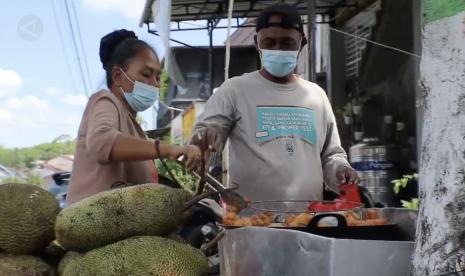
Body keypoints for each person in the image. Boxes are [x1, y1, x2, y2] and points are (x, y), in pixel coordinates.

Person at [190, 4, 359, 201]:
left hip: (310, 222)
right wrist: (205, 137)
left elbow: (331, 156)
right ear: (257, 43)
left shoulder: (316, 96)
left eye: (287, 42)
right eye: (269, 42)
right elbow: (208, 130)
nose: (278, 49)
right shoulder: (234, 90)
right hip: (252, 223)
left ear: (302, 43)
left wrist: (341, 170)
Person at [67, 30, 201, 204]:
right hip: (86, 223)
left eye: (158, 77)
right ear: (117, 76)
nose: (155, 83)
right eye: (146, 74)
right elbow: (101, 142)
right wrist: (169, 149)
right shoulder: (105, 100)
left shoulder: (133, 127)